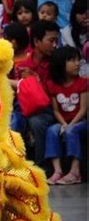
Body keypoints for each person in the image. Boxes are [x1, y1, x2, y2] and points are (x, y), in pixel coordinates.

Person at [15, 20, 60, 169]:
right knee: (14, 121)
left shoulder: (57, 62)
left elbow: (54, 94)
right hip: (23, 108)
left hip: (48, 110)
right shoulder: (22, 64)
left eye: (56, 40)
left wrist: (36, 80)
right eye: (51, 40)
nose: (55, 45)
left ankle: (40, 167)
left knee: (36, 122)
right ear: (36, 41)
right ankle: (15, 167)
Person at [45, 46, 87, 185]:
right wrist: (63, 124)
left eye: (78, 60)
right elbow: (56, 110)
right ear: (61, 63)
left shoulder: (83, 83)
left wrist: (69, 125)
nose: (77, 63)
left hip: (81, 121)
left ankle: (75, 172)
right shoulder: (52, 85)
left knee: (72, 130)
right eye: (72, 60)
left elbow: (83, 109)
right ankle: (57, 171)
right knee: (51, 130)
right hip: (64, 121)